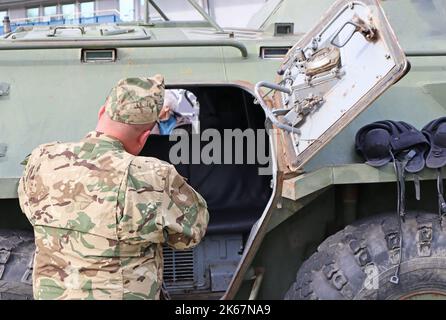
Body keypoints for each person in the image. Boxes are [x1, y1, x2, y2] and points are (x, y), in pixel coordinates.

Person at [17, 75, 209, 300]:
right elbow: (190, 234)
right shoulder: (152, 176)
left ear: (101, 112)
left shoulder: (42, 158)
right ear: (145, 136)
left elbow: (29, 209)